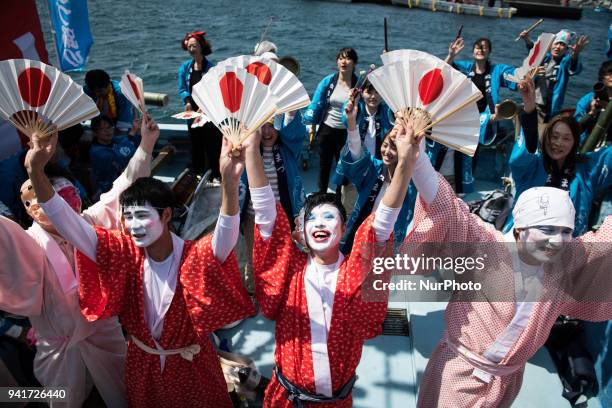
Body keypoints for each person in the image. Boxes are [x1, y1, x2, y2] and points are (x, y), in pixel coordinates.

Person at [29, 125, 255, 406]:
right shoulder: (122, 254)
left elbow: (226, 234)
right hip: (142, 364)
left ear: (166, 215)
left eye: (142, 216)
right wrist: (36, 171)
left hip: (192, 367)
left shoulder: (194, 256)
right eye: (128, 217)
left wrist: (230, 185)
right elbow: (67, 222)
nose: (133, 225)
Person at [403, 132, 612, 408]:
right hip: (459, 373)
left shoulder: (564, 260)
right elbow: (446, 205)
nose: (557, 241)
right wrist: (416, 158)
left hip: (507, 381)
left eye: (566, 232)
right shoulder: (485, 246)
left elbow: (602, 243)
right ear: (521, 228)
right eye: (547, 229)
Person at [245, 114, 420, 406]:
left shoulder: (354, 274)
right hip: (286, 399)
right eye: (312, 218)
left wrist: (405, 164)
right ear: (301, 232)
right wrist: (252, 150)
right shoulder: (290, 272)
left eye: (330, 217)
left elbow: (382, 226)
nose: (320, 223)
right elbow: (265, 216)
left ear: (343, 230)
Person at [1, 114, 158, 407]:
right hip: (59, 345)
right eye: (36, 198)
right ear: (30, 211)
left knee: (123, 393)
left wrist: (146, 144)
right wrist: (33, 167)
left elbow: (123, 188)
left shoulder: (89, 222)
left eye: (65, 192)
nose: (62, 200)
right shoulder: (27, 243)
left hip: (105, 330)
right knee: (63, 399)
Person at [504, 76, 611, 236]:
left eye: (566, 138)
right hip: (524, 245)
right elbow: (525, 150)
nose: (558, 143)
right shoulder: (531, 167)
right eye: (554, 136)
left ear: (575, 142)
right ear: (546, 138)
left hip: (568, 250)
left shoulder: (587, 168)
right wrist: (530, 106)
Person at [338, 92, 416, 254]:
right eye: (386, 144)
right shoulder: (374, 167)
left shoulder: (410, 182)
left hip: (386, 240)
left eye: (394, 147)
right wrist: (352, 123)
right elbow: (357, 151)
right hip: (361, 233)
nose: (386, 151)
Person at [238, 112, 307, 291]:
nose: (267, 132)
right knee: (253, 256)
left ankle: (279, 289)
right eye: (262, 126)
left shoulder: (289, 149)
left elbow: (296, 133)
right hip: (253, 216)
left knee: (282, 254)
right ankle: (253, 290)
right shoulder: (248, 150)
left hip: (281, 217)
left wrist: (290, 113)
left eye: (271, 126)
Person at [443, 36, 518, 194]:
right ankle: (456, 184)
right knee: (459, 151)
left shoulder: (496, 70)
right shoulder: (466, 67)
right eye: (477, 47)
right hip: (464, 116)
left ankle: (465, 185)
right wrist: (451, 55)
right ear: (472, 51)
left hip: (485, 119)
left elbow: (514, 76)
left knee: (471, 152)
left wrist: (525, 74)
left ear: (489, 51)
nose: (480, 50)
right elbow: (444, 70)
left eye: (484, 47)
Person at [303, 47, 358, 193]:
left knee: (344, 167)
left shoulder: (358, 86)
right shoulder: (329, 81)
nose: (343, 61)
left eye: (347, 58)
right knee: (324, 165)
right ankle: (321, 195)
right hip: (327, 129)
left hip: (346, 132)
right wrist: (312, 123)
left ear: (354, 63)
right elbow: (316, 102)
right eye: (340, 58)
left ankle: (341, 199)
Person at [178, 30, 222, 178]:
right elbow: (182, 88)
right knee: (195, 144)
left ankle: (215, 174)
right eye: (189, 46)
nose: (192, 49)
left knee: (212, 145)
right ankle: (197, 174)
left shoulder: (211, 68)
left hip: (208, 112)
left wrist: (205, 107)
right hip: (192, 113)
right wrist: (188, 102)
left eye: (194, 46)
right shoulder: (185, 68)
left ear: (201, 46)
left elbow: (215, 91)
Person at [520, 29, 588, 123]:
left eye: (562, 44)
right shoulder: (544, 58)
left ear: (567, 49)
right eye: (556, 43)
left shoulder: (565, 62)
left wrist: (575, 54)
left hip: (551, 108)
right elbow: (534, 50)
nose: (557, 47)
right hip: (534, 102)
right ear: (551, 45)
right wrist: (526, 39)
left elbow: (574, 67)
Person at [90, 115, 138, 199]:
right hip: (105, 190)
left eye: (110, 127)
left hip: (122, 182)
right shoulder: (96, 152)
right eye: (103, 129)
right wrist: (132, 133)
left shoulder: (116, 140)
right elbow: (118, 156)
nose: (108, 131)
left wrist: (137, 130)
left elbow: (131, 142)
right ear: (95, 132)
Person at [574, 60, 612, 147]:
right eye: (609, 74)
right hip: (587, 143)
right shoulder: (589, 99)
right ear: (602, 77)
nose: (611, 77)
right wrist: (591, 113)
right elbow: (575, 128)